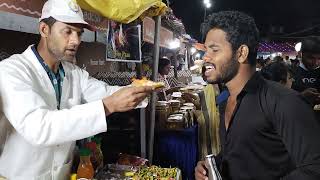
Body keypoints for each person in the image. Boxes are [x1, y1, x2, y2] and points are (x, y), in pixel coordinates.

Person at [0, 0, 154, 179]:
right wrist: (108, 106)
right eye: (68, 31)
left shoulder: (73, 73)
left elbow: (106, 92)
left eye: (79, 33)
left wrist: (142, 90)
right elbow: (39, 127)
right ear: (44, 30)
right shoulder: (11, 70)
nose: (76, 41)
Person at [195, 11, 320, 180]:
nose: (205, 57)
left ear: (241, 53)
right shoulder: (226, 101)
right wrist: (214, 165)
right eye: (206, 50)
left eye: (214, 50)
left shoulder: (284, 102)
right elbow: (240, 156)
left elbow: (313, 168)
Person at [291, 36, 320, 106]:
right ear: (300, 54)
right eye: (311, 58)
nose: (316, 63)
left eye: (319, 58)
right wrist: (301, 97)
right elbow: (280, 100)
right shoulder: (290, 72)